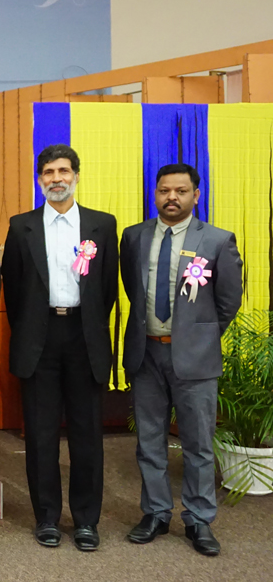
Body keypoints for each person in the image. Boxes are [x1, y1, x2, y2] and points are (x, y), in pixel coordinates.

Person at [120, 164, 242, 557]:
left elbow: (228, 301)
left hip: (195, 358)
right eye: (164, 190)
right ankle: (156, 512)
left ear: (195, 195)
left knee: (198, 444)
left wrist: (198, 335)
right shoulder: (134, 236)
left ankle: (198, 519)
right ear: (154, 194)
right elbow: (132, 289)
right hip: (147, 353)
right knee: (149, 440)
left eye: (181, 191)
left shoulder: (218, 241)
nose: (171, 197)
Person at [1, 144, 117, 552]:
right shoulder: (21, 226)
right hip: (40, 339)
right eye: (48, 172)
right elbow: (13, 292)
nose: (56, 179)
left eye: (63, 171)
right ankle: (46, 517)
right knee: (41, 435)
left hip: (85, 337)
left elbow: (106, 290)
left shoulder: (103, 225)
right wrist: (35, 328)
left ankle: (86, 521)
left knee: (87, 436)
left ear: (77, 176)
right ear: (39, 179)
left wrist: (83, 321)